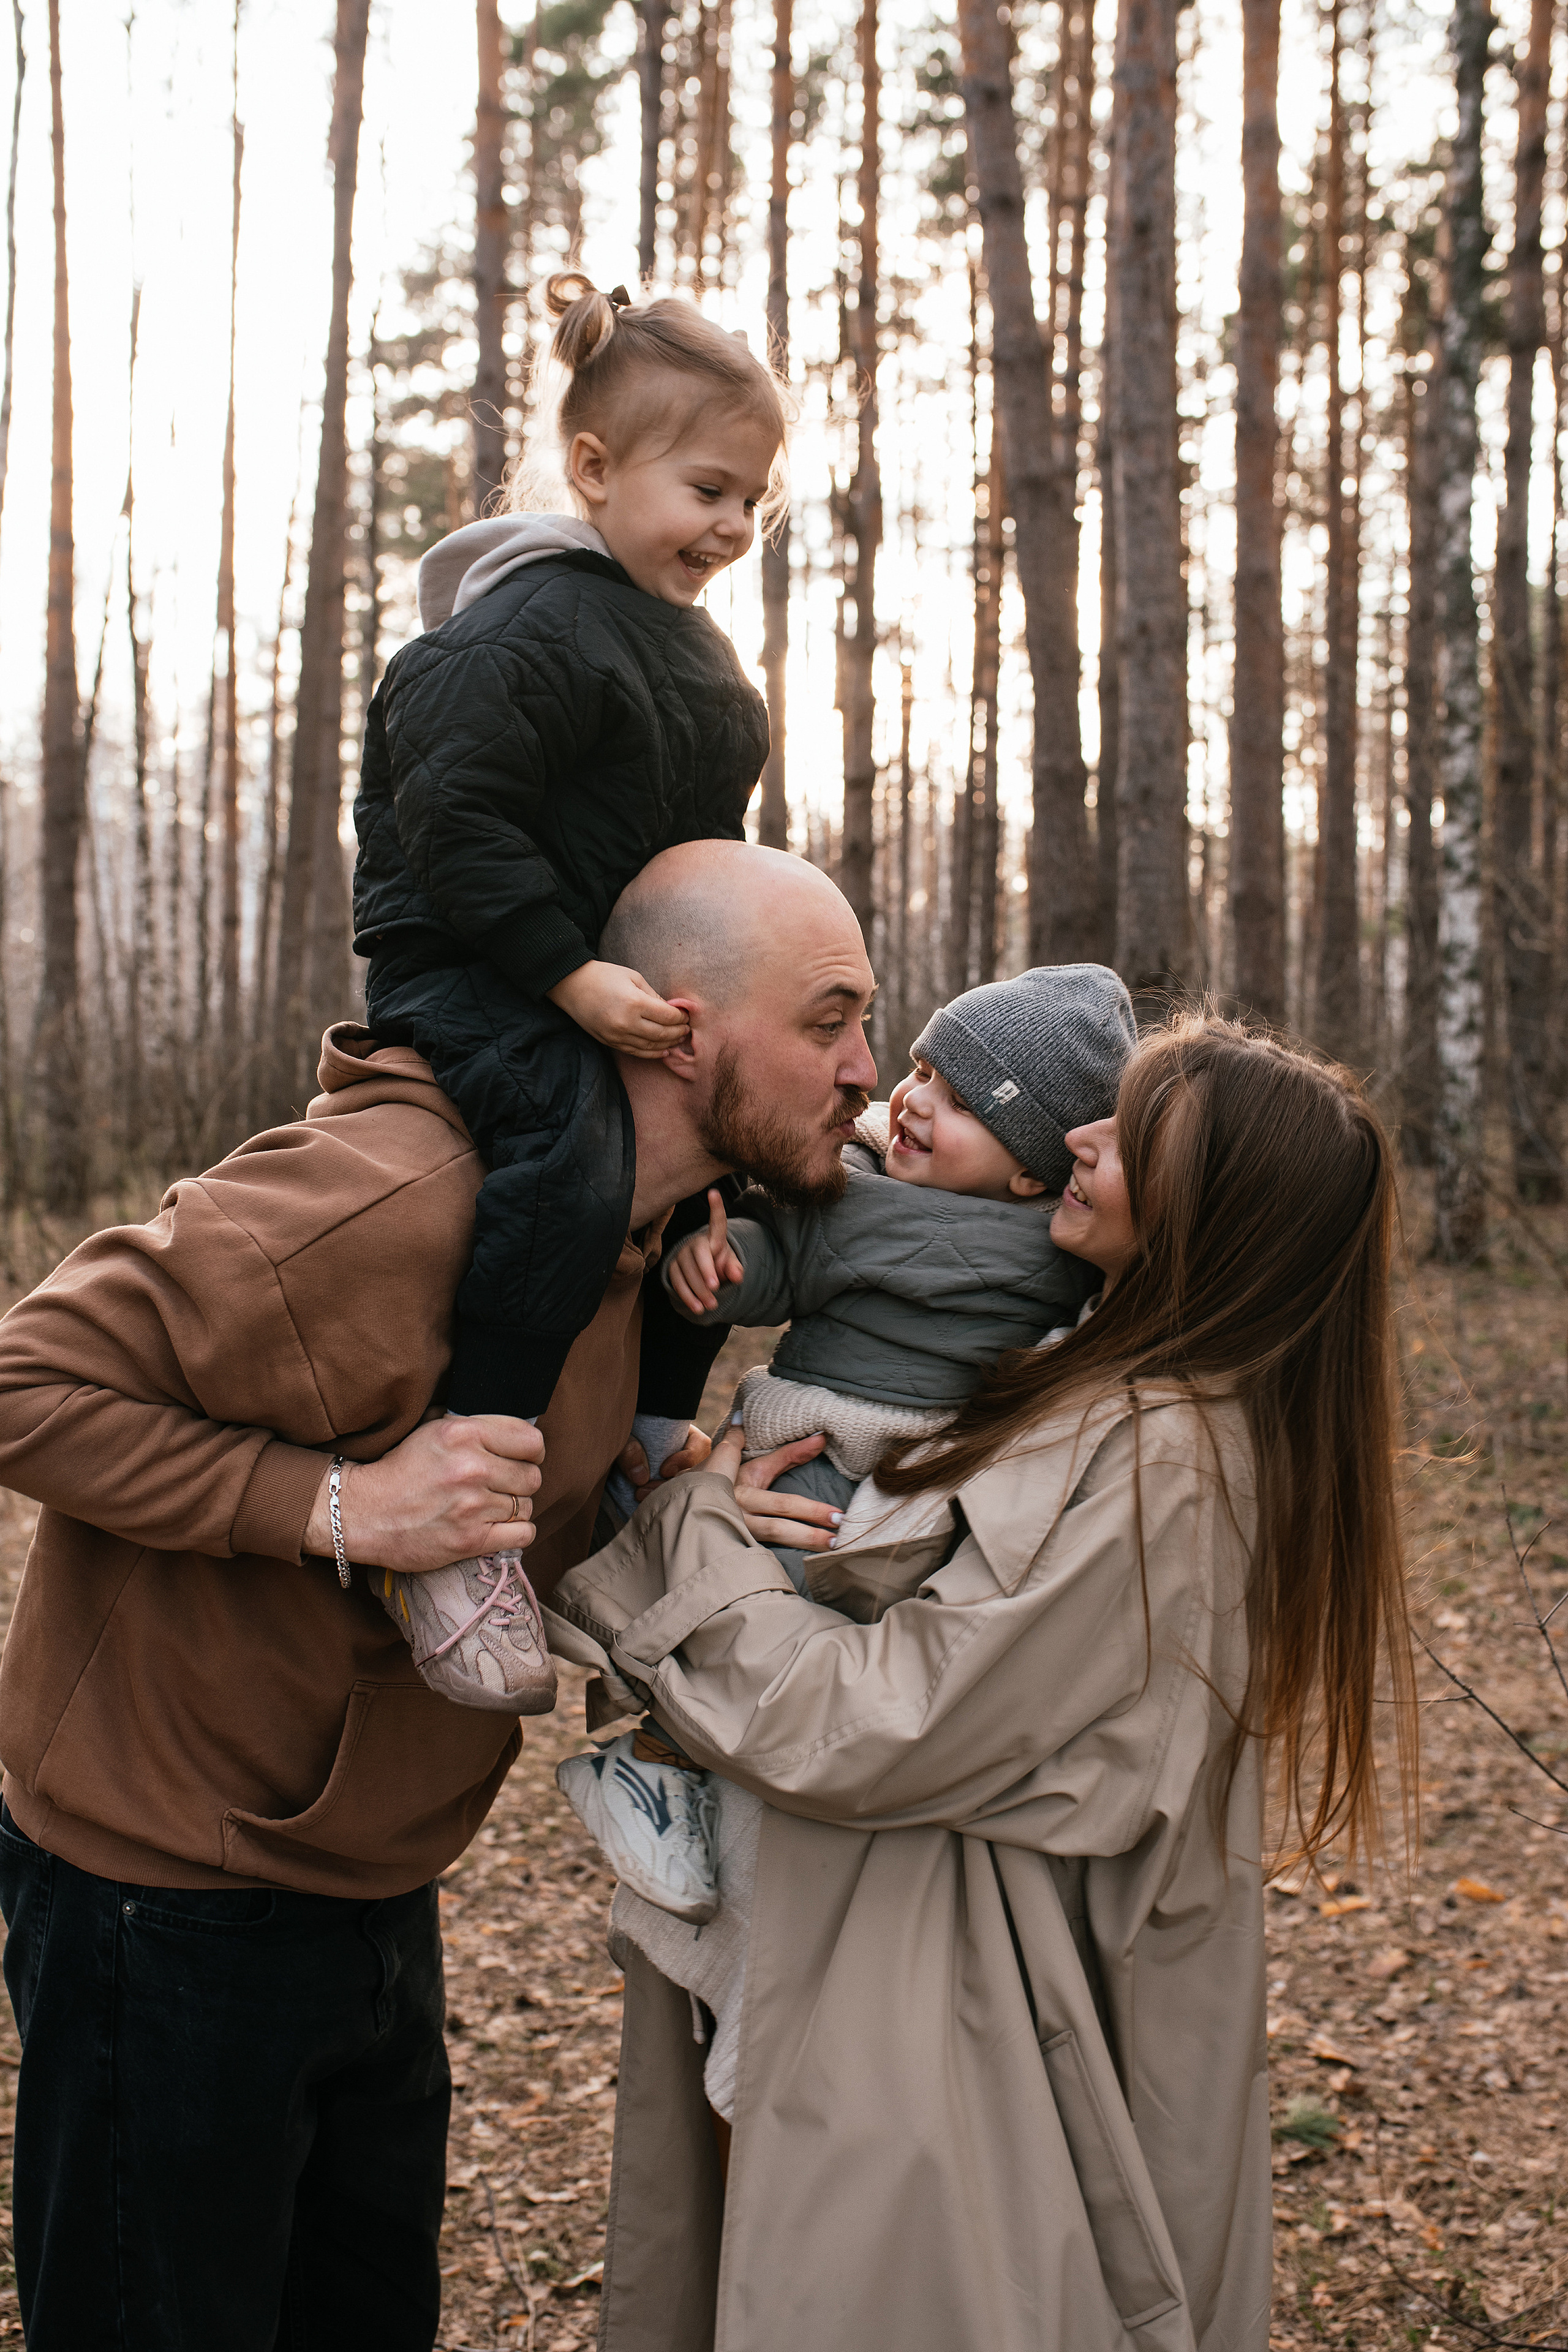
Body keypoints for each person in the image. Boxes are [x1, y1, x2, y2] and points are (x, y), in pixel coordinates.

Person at [0, 840, 876, 2352]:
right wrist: (344, 1508)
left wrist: (652, 1504)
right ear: (678, 1027)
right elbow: (25, 1379)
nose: (867, 1066)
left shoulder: (627, 1244)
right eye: (828, 1019)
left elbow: (507, 1501)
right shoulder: (390, 1200)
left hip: (368, 1884)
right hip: (164, 1901)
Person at [550, 1012, 1416, 2352]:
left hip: (959, 2039)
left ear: (1211, 1215)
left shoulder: (1168, 1464)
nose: (1075, 1134)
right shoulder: (1087, 1368)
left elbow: (884, 1723)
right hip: (895, 1976)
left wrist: (696, 1530)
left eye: (1129, 1134)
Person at [352, 272, 791, 1702]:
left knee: (723, 1146)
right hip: (482, 965)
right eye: (708, 490)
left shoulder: (688, 647)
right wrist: (566, 977)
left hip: (613, 970)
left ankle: (650, 1444)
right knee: (574, 1149)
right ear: (596, 470)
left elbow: (697, 848)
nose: (732, 528)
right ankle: (462, 1504)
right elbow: (454, 823)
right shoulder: (516, 631)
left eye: (753, 502)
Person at [558, 964, 1136, 1923]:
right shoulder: (855, 1189)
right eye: (921, 1072)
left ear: (1033, 1172)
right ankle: (651, 1767)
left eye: (955, 1104)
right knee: (770, 1591)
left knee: (855, 1628)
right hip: (822, 1434)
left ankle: (707, 1774)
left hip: (931, 1468)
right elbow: (779, 1258)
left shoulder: (1066, 1248)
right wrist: (719, 1267)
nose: (909, 1102)